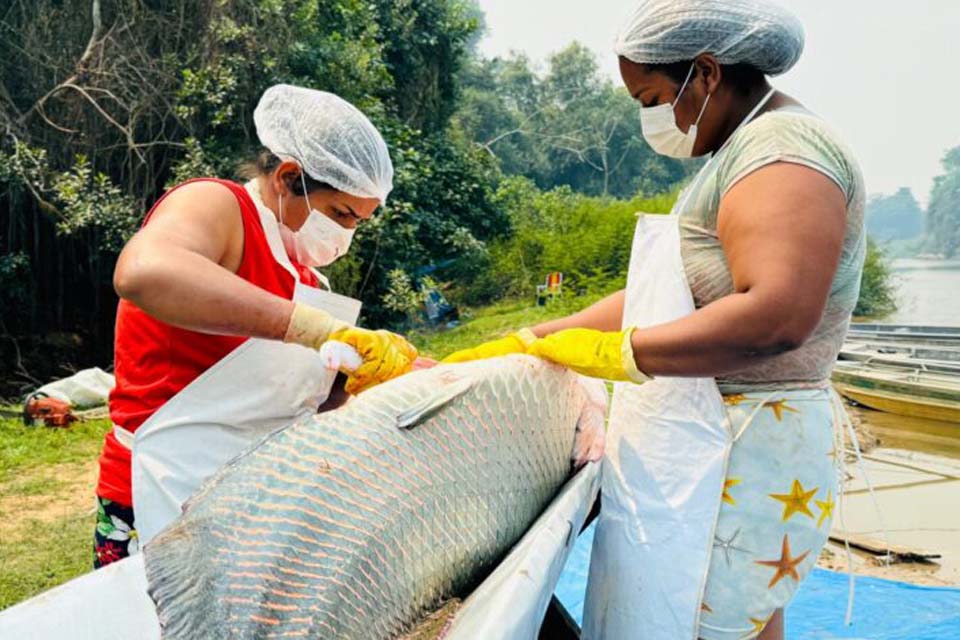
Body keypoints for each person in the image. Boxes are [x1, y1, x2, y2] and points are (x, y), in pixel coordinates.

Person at [445, 1, 865, 638]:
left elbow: (774, 316)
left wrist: (624, 354)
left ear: (705, 74)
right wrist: (530, 341)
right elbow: (662, 295)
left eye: (651, 96)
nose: (649, 117)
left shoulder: (780, 150)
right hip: (713, 436)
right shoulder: (740, 150)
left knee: (708, 622)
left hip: (744, 444)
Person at [94, 85, 418, 567]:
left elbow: (295, 404)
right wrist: (311, 328)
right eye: (341, 214)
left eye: (359, 223)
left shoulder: (306, 278)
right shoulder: (219, 207)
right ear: (289, 178)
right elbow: (144, 272)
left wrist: (359, 377)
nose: (347, 234)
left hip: (251, 497)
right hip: (158, 485)